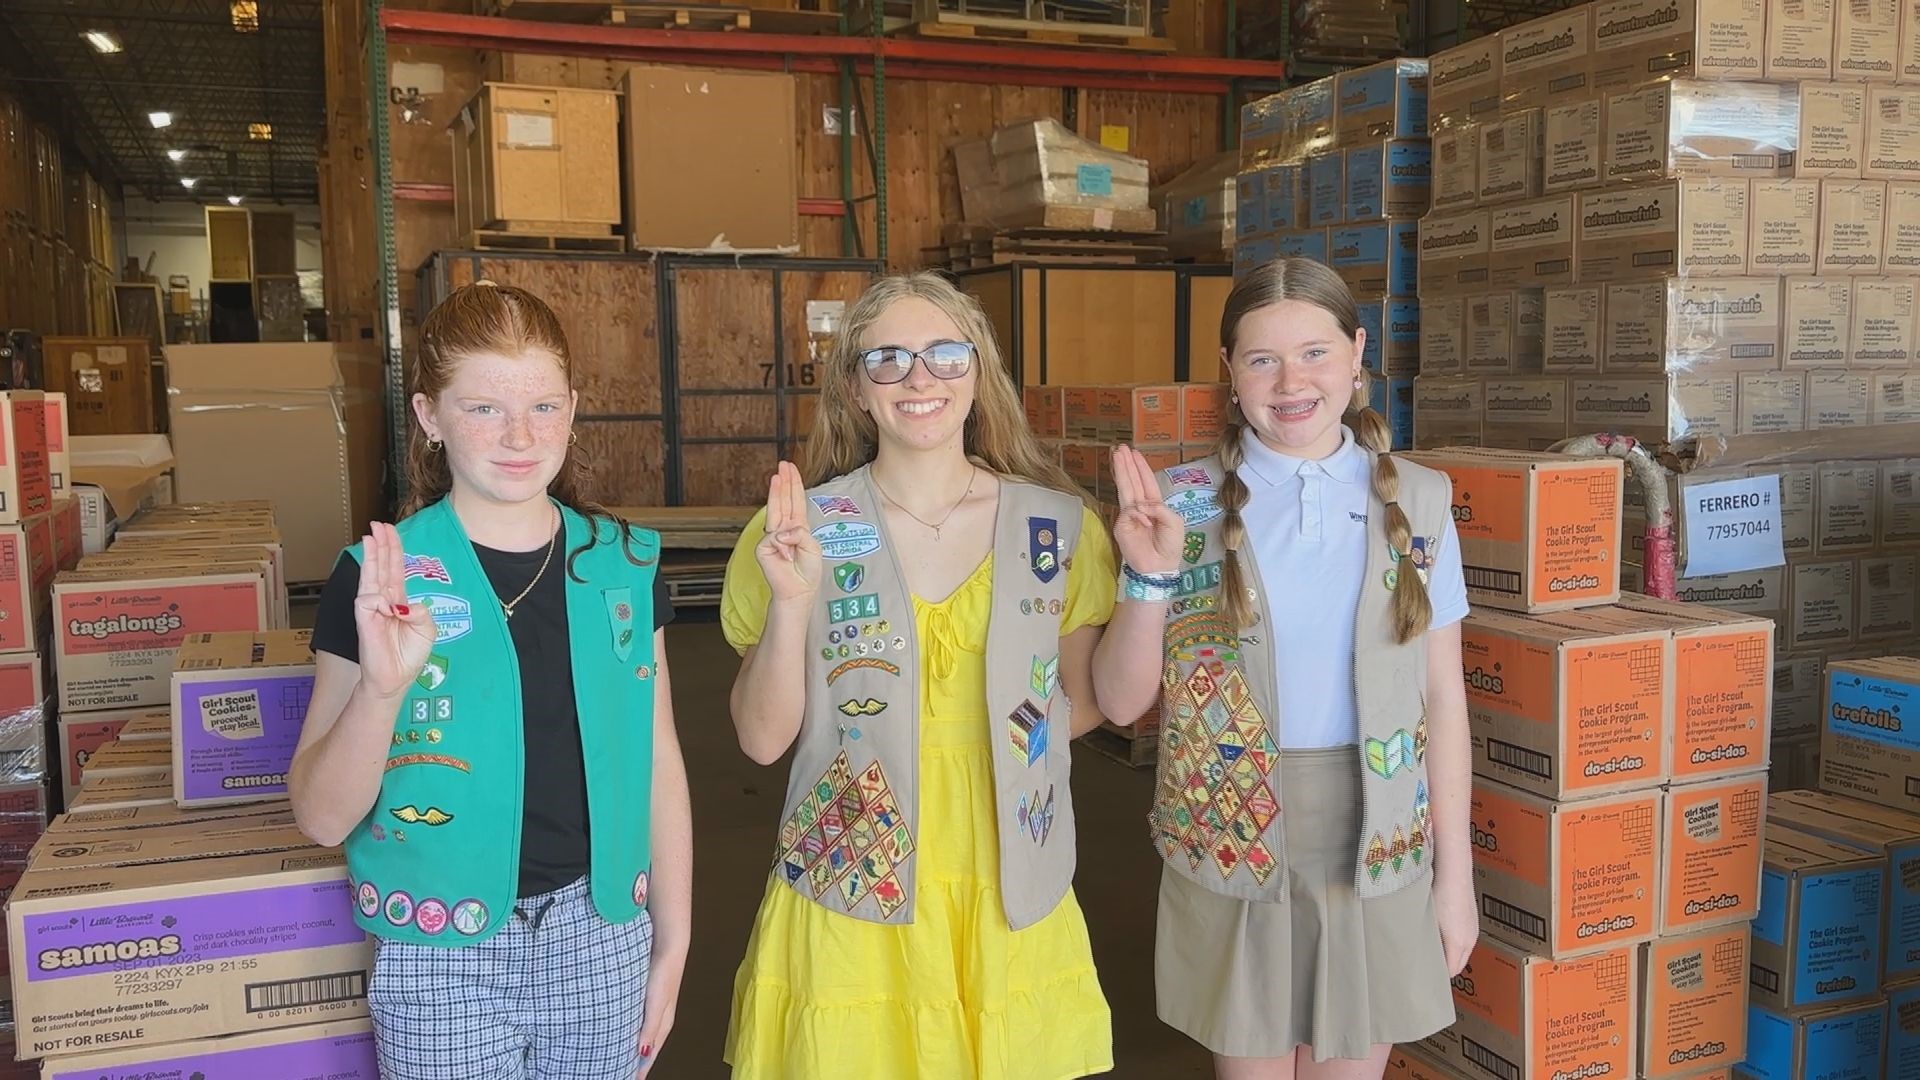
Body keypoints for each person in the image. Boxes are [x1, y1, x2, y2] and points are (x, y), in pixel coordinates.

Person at [289, 282, 692, 1080]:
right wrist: (380, 688)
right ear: (430, 416)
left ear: (573, 410)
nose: (519, 434)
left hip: (603, 935)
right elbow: (320, 817)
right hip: (440, 954)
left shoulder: (624, 567)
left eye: (543, 406)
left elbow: (659, 762)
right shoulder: (376, 578)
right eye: (482, 409)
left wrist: (673, 942)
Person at [721, 272, 1116, 1079]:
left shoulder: (1056, 526)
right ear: (857, 390)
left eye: (944, 353)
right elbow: (764, 741)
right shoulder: (798, 530)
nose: (919, 377)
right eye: (888, 359)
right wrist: (793, 603)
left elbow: (1079, 703)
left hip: (1007, 863)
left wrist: (992, 733)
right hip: (851, 864)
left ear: (979, 375)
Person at [1090, 258, 1476, 1080]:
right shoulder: (1179, 505)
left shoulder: (1422, 500)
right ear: (1229, 372)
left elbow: (1443, 701)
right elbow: (1121, 701)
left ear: (1358, 353)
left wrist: (1456, 880)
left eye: (1315, 352)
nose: (1291, 380)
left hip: (1376, 836)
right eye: (1262, 358)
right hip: (1234, 832)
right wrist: (1149, 576)